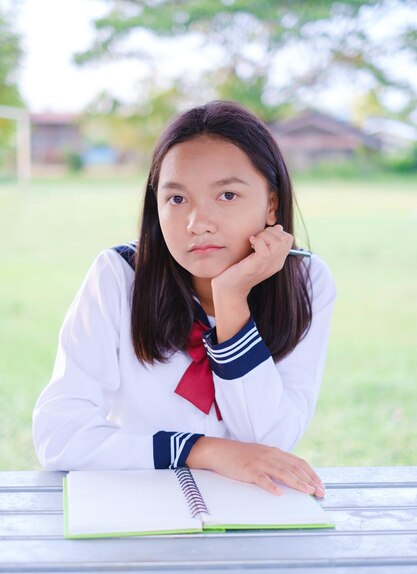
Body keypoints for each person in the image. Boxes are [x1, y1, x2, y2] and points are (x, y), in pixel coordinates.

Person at [33, 100, 336, 498]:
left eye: (227, 195)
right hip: (140, 507)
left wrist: (231, 300)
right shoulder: (119, 276)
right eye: (177, 199)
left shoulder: (306, 281)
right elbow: (58, 434)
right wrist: (200, 450)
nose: (197, 223)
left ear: (272, 204)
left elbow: (270, 437)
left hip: (252, 513)